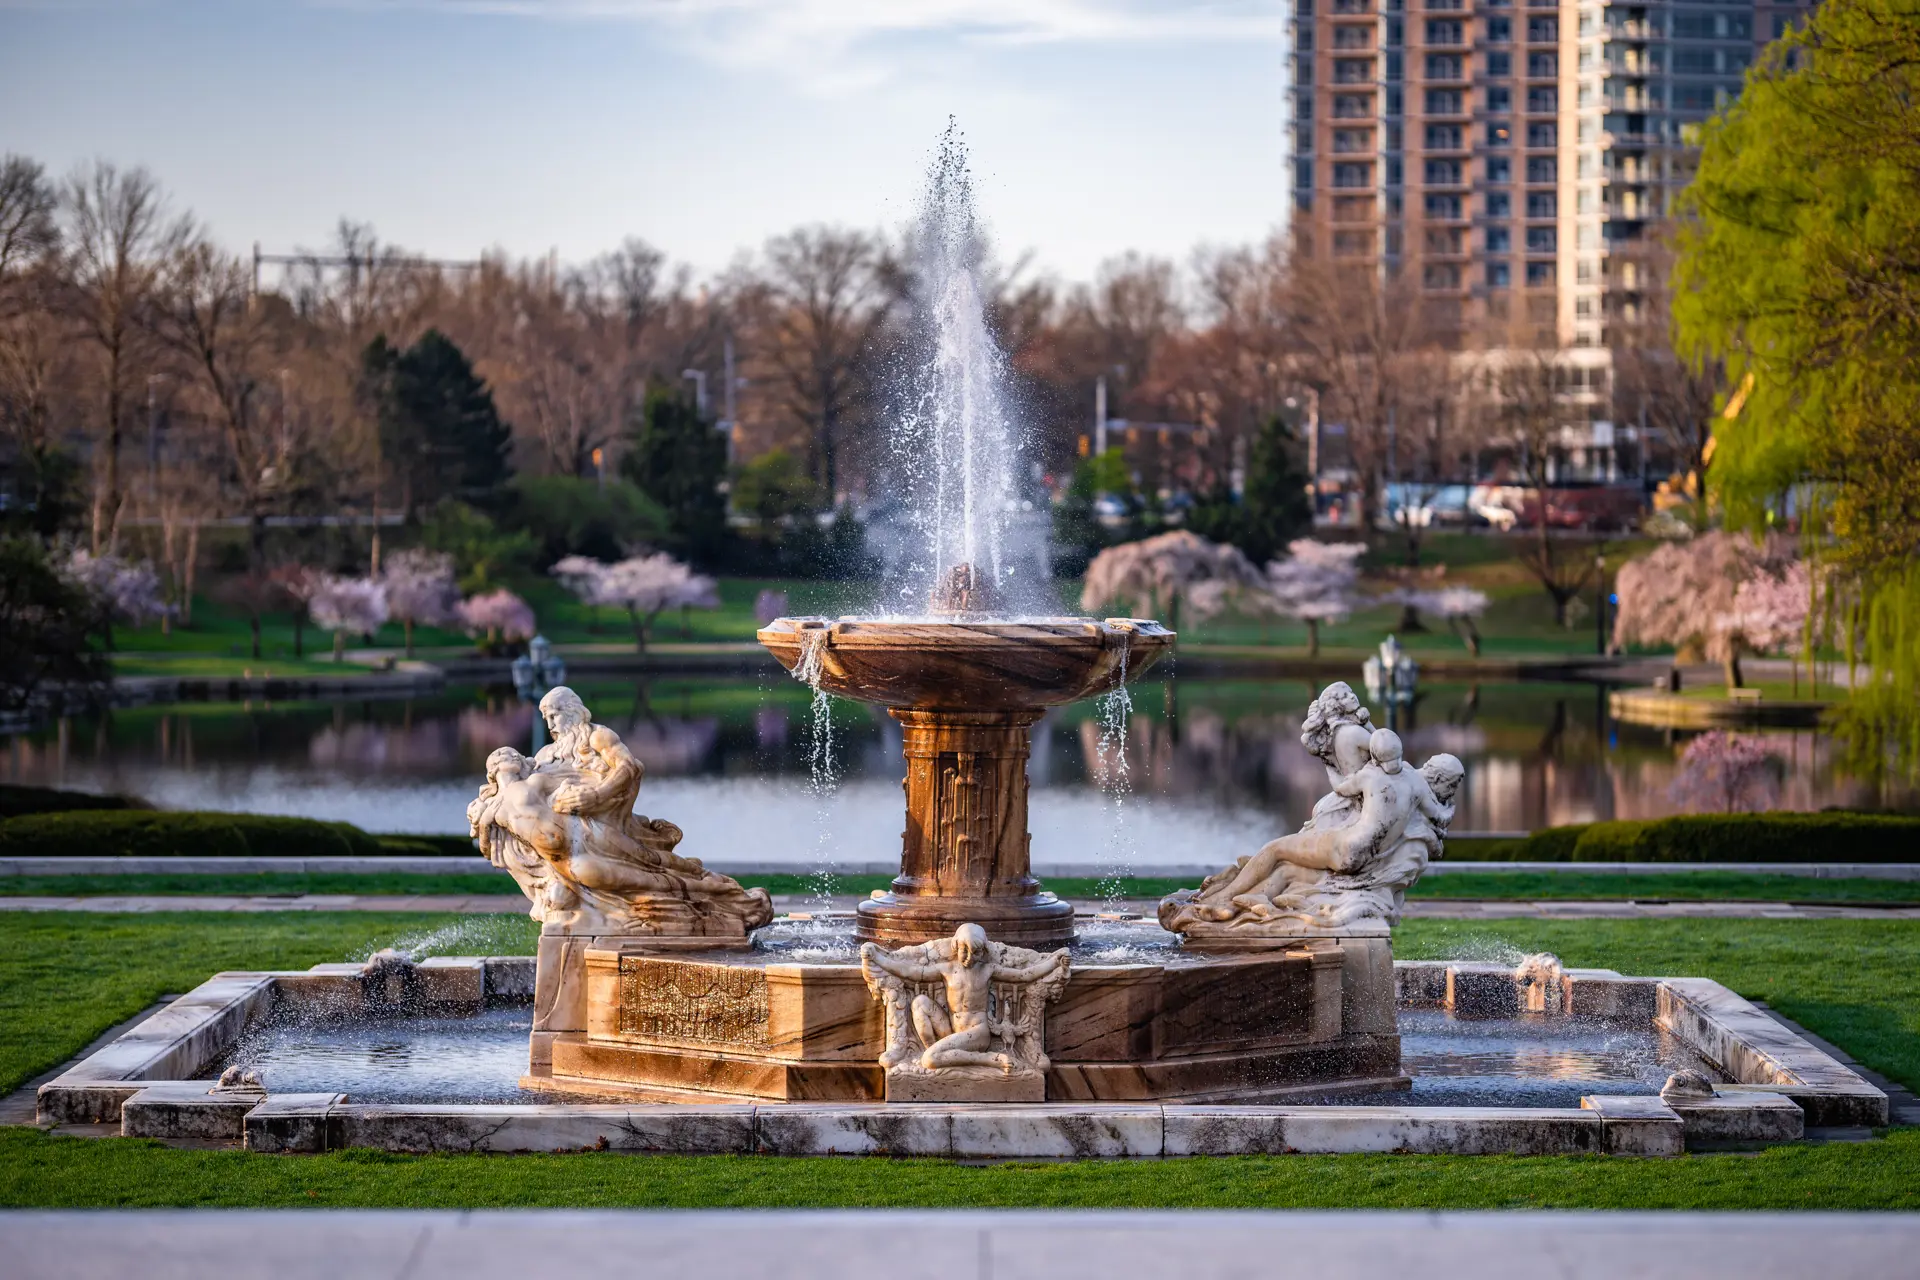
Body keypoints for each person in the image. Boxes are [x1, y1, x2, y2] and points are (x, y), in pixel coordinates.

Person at [860, 924, 1069, 1073]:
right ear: (955, 947)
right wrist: (877, 957)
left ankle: (989, 1060)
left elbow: (1025, 975)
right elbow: (910, 971)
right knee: (919, 1003)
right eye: (964, 951)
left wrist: (1054, 962)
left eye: (976, 953)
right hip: (949, 1030)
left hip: (977, 1033)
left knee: (930, 1059)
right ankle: (937, 1052)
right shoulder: (947, 969)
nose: (969, 958)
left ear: (984, 951)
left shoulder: (988, 970)